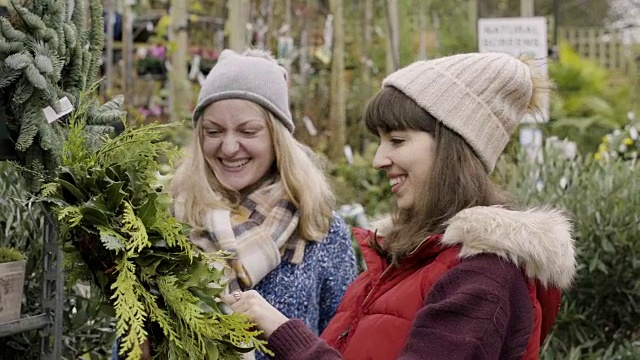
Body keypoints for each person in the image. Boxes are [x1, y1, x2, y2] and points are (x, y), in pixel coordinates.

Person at [224, 52, 578, 360]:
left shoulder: (481, 278)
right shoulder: (403, 262)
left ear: (453, 148)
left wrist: (284, 331)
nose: (379, 159)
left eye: (397, 140)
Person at [165, 49, 356, 359]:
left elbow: (342, 346)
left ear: (277, 138)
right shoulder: (172, 221)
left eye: (247, 131)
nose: (228, 147)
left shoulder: (321, 230)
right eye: (213, 132)